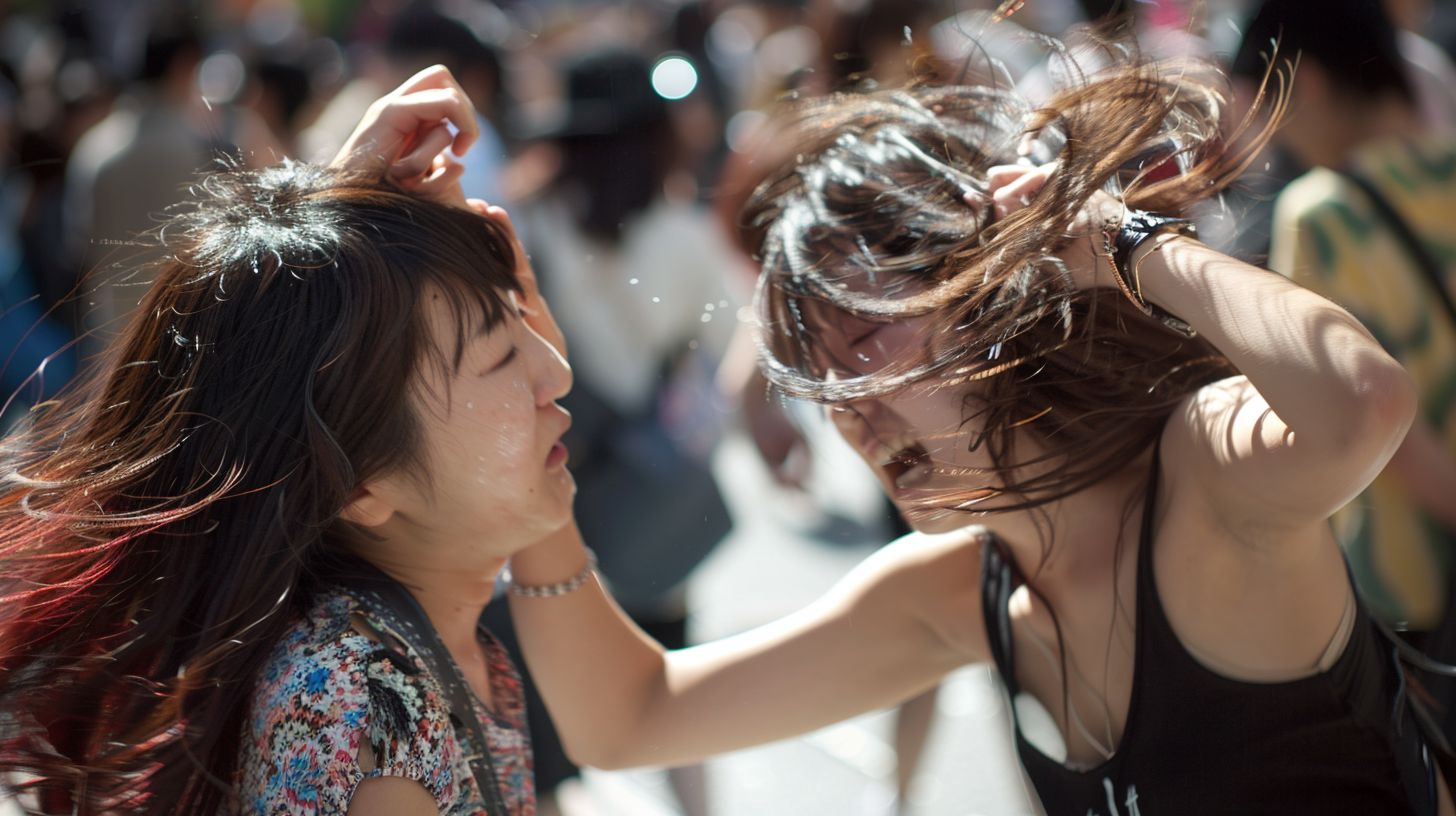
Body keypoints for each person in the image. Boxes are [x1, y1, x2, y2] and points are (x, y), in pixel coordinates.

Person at [506, 50, 1450, 815]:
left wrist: (1120, 241)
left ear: (1000, 292)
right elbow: (626, 720)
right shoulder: (966, 588)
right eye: (820, 377)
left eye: (868, 338)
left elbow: (1359, 405)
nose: (850, 408)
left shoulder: (1201, 479)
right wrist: (531, 453)